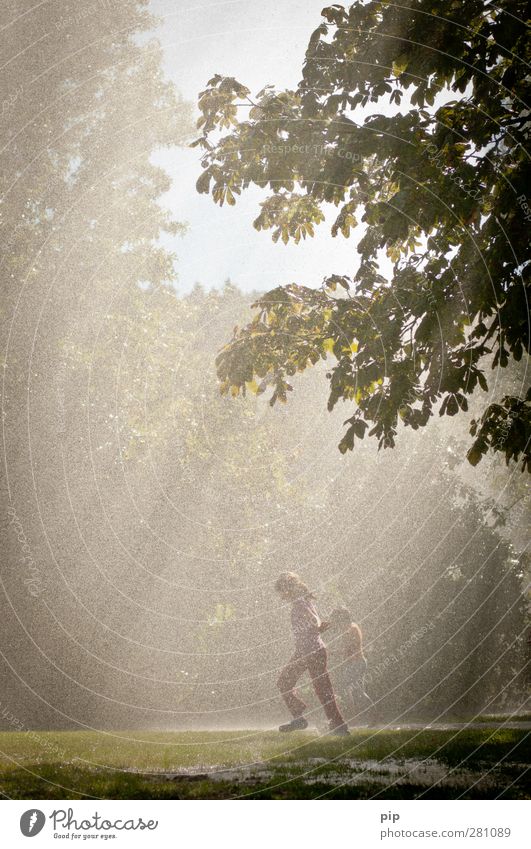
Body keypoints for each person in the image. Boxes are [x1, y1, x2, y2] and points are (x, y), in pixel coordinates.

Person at [274, 572, 349, 735]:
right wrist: (317, 627)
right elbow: (315, 622)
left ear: (288, 588)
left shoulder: (300, 603)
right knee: (287, 683)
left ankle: (338, 726)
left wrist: (316, 626)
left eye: (281, 591)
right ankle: (301, 717)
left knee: (320, 689)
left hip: (312, 652)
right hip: (307, 651)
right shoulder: (303, 601)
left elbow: (314, 620)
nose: (281, 596)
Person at [329, 607, 372, 723]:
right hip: (354, 663)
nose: (334, 621)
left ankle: (354, 718)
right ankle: (365, 717)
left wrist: (333, 652)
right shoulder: (349, 627)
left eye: (335, 618)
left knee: (348, 690)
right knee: (357, 692)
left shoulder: (351, 629)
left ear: (340, 618)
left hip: (356, 663)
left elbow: (350, 648)